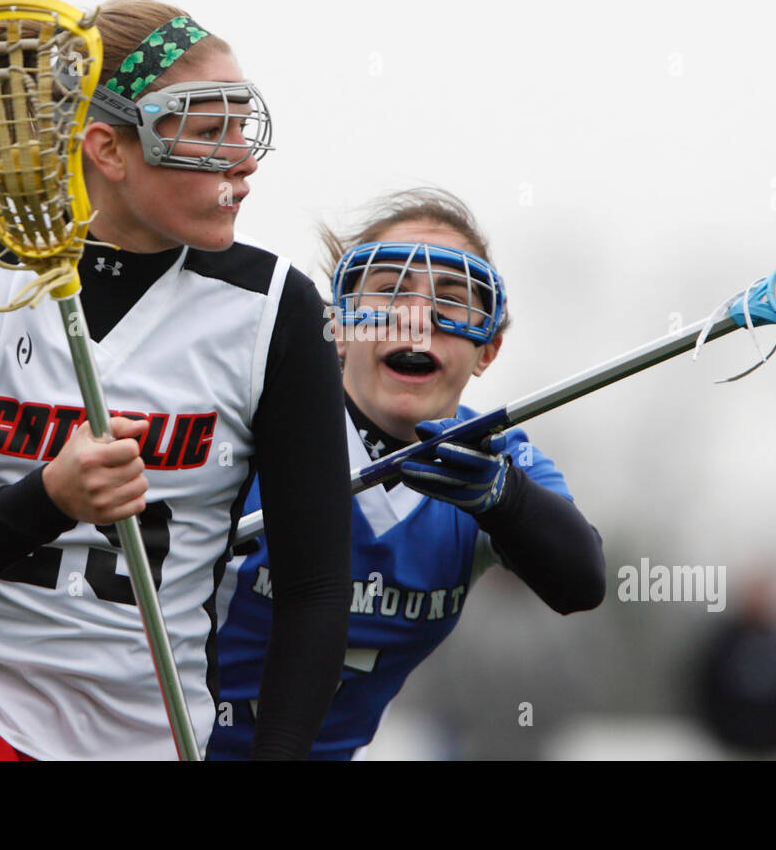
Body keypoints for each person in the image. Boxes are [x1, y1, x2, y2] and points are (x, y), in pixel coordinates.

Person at [0, 0, 352, 760]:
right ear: (108, 150)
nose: (242, 162)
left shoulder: (275, 313)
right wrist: (47, 499)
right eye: (208, 134)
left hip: (145, 730)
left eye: (243, 128)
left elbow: (314, 592)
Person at [208, 188, 606, 759]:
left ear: (487, 350)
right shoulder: (247, 426)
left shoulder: (498, 460)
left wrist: (504, 499)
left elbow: (581, 582)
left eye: (452, 300)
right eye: (391, 292)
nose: (418, 319)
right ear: (340, 329)